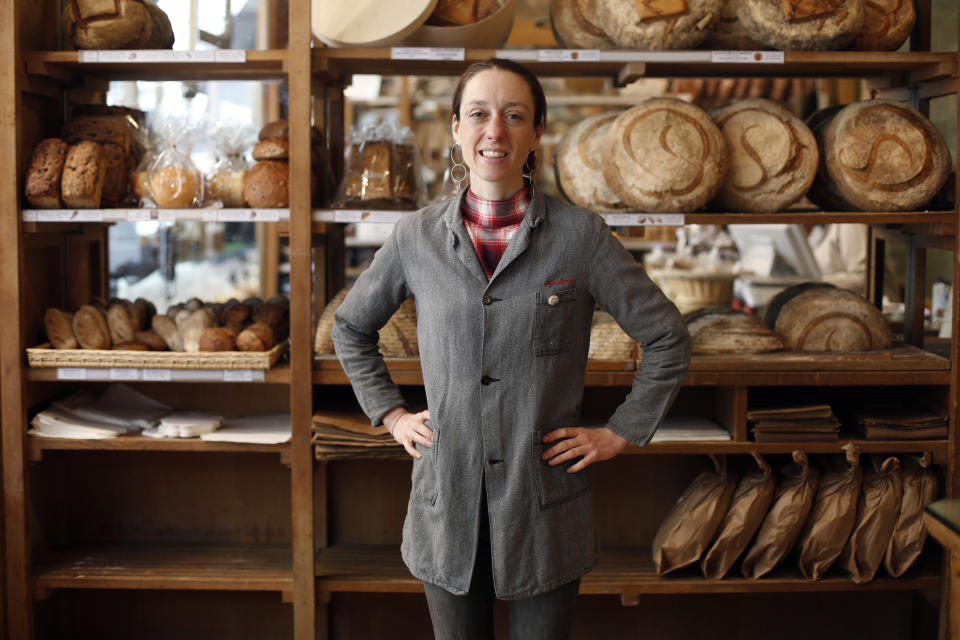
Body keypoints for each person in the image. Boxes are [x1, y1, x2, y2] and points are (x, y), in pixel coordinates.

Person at [333, 58, 690, 639]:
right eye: (478, 114)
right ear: (456, 128)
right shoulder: (416, 238)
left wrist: (621, 431)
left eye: (513, 115)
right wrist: (393, 414)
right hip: (447, 502)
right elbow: (350, 328)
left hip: (542, 502)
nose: (494, 130)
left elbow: (667, 337)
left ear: (536, 132)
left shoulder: (582, 237)